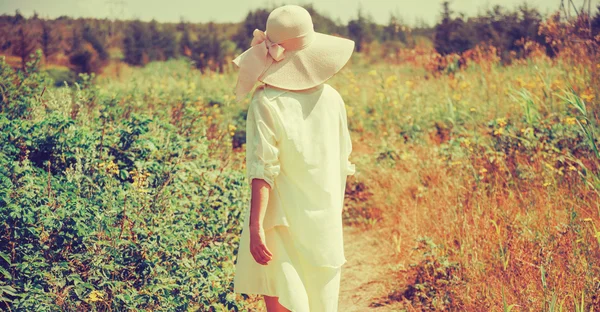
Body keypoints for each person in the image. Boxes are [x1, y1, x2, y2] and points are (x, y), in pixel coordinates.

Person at [231, 4, 356, 312]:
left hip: (281, 222)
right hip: (323, 223)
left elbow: (263, 168)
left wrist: (255, 226)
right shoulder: (333, 99)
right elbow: (342, 161)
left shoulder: (265, 103)